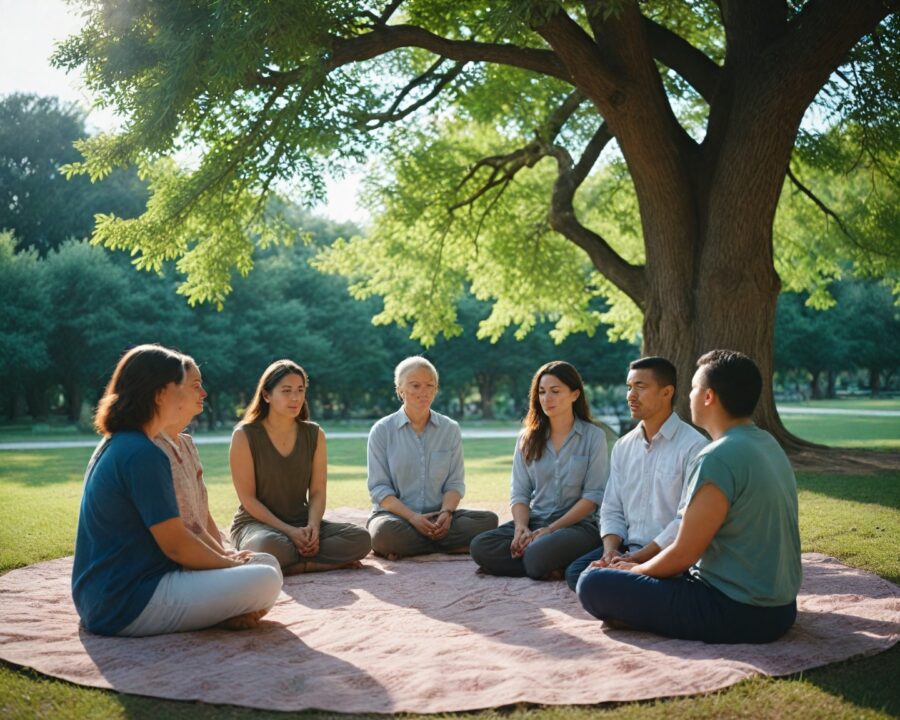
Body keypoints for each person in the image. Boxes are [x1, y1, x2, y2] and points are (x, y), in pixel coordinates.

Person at [577, 350, 802, 644]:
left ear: (708, 397)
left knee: (592, 583)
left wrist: (636, 569)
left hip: (739, 610)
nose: (690, 395)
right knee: (603, 576)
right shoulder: (766, 443)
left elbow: (684, 553)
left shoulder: (717, 457)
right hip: (782, 608)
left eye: (694, 388)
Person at [72, 344, 283, 637]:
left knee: (265, 563)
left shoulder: (122, 443)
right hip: (128, 601)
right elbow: (176, 545)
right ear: (160, 393)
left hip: (109, 596)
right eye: (183, 386)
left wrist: (228, 562)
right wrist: (226, 563)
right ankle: (225, 611)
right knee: (265, 580)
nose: (194, 394)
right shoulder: (142, 454)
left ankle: (224, 609)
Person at [564, 357, 707, 590]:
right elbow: (611, 507)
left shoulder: (694, 447)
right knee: (577, 573)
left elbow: (684, 522)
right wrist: (611, 552)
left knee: (596, 583)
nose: (631, 395)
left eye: (640, 387)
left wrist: (639, 559)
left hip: (668, 553)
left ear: (667, 392)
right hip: (627, 549)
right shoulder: (623, 446)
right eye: (629, 387)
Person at [229, 359, 371, 573]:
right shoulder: (245, 435)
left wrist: (312, 527)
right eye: (286, 391)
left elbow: (317, 491)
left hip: (301, 523)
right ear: (266, 395)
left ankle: (290, 565)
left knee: (361, 539)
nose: (295, 398)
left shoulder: (314, 434)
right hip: (257, 526)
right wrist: (288, 531)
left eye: (300, 390)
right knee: (269, 546)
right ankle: (314, 563)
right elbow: (248, 499)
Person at [469, 361, 607, 579]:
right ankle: (549, 566)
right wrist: (521, 529)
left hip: (578, 527)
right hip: (537, 520)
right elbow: (520, 492)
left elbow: (592, 497)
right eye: (541, 392)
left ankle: (537, 561)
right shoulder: (527, 438)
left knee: (537, 554)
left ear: (574, 394)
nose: (546, 398)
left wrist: (550, 531)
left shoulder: (593, 437)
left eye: (555, 391)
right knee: (480, 546)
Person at [366, 356, 498, 559]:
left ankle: (412, 548)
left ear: (436, 390)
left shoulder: (450, 429)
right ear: (400, 389)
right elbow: (379, 490)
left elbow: (454, 483)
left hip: (441, 518)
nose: (423, 392)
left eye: (430, 385)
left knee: (489, 521)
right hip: (397, 519)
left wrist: (446, 513)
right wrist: (413, 518)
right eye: (415, 385)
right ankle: (449, 546)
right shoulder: (382, 431)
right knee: (382, 535)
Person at [153, 359, 229, 553]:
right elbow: (188, 530)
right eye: (196, 386)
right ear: (171, 391)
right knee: (264, 571)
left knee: (264, 564)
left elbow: (203, 516)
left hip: (202, 553)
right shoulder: (152, 449)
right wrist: (225, 560)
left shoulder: (186, 443)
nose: (204, 393)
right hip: (178, 562)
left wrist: (224, 552)